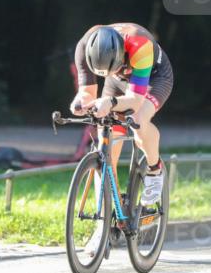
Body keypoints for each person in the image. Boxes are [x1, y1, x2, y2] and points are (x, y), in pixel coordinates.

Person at [71, 23, 174, 214]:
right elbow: (87, 92)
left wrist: (109, 102)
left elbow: (134, 101)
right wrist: (79, 104)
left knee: (138, 120)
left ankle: (154, 169)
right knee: (106, 149)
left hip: (153, 78)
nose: (108, 73)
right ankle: (106, 224)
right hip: (117, 82)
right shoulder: (84, 47)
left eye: (113, 67)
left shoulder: (139, 44)